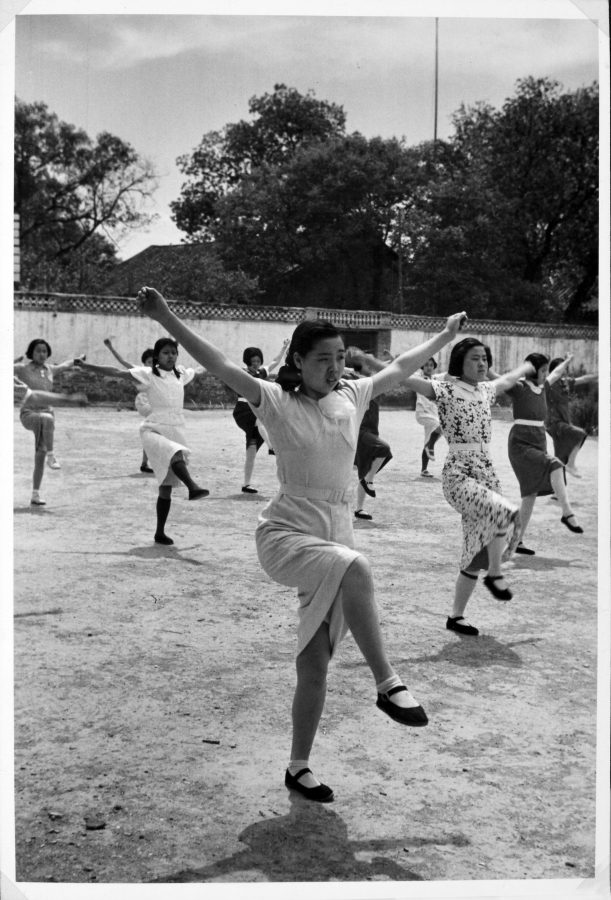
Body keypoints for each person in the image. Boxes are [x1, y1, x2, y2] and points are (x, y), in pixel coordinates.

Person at [137, 284, 466, 802]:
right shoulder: (272, 400)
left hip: (335, 536)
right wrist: (164, 317)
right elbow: (219, 362)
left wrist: (444, 336)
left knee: (313, 665)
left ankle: (298, 767)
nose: (334, 368)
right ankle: (387, 683)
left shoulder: (352, 396)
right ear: (298, 360)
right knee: (356, 567)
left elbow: (401, 366)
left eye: (340, 358)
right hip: (286, 535)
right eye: (322, 359)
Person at [402, 338, 536, 637]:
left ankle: (456, 617)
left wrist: (526, 366)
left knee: (475, 553)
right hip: (459, 474)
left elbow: (507, 380)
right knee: (506, 512)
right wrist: (371, 365)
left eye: (485, 359)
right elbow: (405, 379)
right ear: (460, 362)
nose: (482, 363)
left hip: (487, 473)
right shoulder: (445, 389)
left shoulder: (485, 390)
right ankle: (497, 575)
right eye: (475, 358)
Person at [75, 338, 209, 545]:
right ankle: (193, 487)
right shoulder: (148, 374)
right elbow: (116, 372)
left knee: (166, 485)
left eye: (173, 352)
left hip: (175, 429)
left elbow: (200, 370)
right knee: (174, 453)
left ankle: (159, 533)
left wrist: (219, 364)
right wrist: (86, 366)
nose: (170, 356)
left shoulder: (180, 374)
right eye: (165, 352)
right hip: (153, 429)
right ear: (157, 356)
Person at [506, 353, 584, 553]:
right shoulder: (519, 387)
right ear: (533, 371)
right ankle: (567, 512)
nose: (546, 374)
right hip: (521, 443)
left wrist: (566, 361)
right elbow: (498, 379)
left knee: (529, 495)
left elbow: (557, 373)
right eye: (542, 370)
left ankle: (516, 541)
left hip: (538, 440)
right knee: (555, 464)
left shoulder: (543, 387)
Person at [14, 339, 85, 506]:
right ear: (31, 352)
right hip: (29, 414)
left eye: (45, 351)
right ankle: (52, 455)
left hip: (46, 418)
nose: (41, 354)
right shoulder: (23, 368)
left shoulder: (50, 369)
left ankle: (35, 494)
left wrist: (78, 360)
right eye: (38, 351)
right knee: (46, 419)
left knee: (40, 454)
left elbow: (66, 365)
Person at [233, 339, 289, 493]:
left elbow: (275, 362)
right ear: (248, 361)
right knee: (262, 420)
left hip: (255, 409)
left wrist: (284, 347)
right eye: (253, 361)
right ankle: (272, 447)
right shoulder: (242, 372)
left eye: (258, 360)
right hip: (244, 410)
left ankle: (246, 484)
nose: (256, 363)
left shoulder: (261, 372)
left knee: (251, 451)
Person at [344, 348, 393, 521]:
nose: (371, 367)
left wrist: (389, 360)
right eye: (367, 364)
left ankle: (359, 508)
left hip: (372, 429)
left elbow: (391, 372)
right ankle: (368, 480)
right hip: (359, 430)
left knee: (365, 469)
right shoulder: (352, 380)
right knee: (384, 449)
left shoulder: (372, 382)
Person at [104, 338, 155, 473]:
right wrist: (111, 348)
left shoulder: (158, 372)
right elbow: (122, 361)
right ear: (144, 362)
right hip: (145, 402)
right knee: (158, 430)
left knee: (152, 432)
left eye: (154, 361)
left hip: (154, 403)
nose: (152, 364)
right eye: (149, 361)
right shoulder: (139, 370)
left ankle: (145, 463)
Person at [545, 355, 598, 479]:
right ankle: (571, 464)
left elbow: (584, 379)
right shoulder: (548, 384)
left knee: (559, 460)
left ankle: (555, 495)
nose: (565, 372)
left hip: (564, 423)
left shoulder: (565, 382)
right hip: (555, 424)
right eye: (563, 369)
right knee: (581, 434)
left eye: (566, 370)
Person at [415, 356, 443, 478]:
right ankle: (429, 445)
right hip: (422, 414)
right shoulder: (418, 377)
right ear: (422, 367)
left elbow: (450, 374)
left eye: (431, 365)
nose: (429, 367)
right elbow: (405, 370)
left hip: (433, 415)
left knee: (428, 439)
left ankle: (424, 469)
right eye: (426, 365)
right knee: (440, 425)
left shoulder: (437, 379)